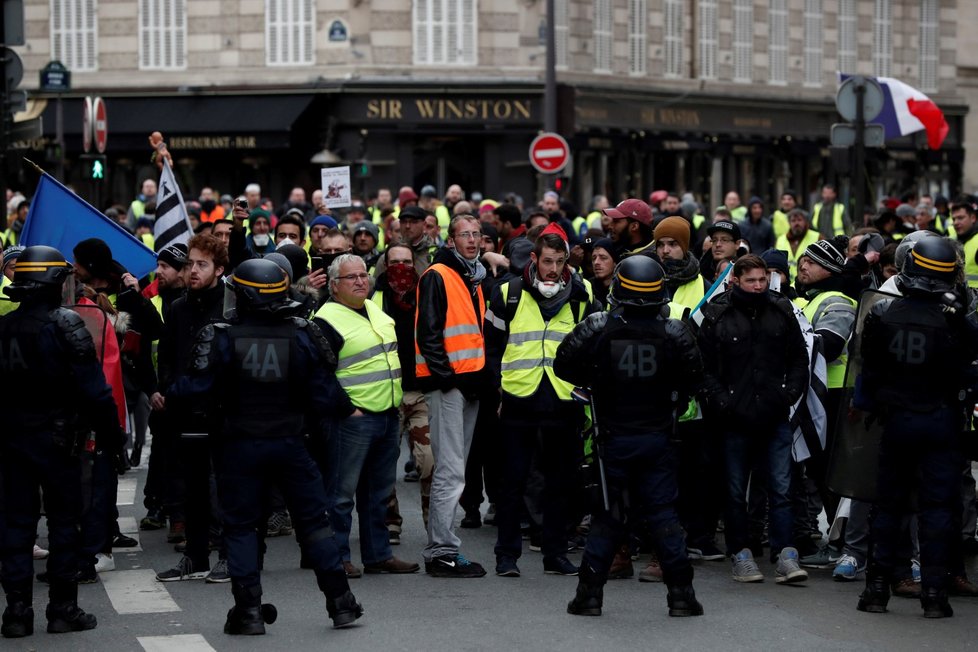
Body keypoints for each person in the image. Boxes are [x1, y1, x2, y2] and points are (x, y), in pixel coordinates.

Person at [168, 258, 363, 634]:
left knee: (241, 528)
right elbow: (326, 395)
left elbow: (191, 391)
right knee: (314, 525)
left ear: (241, 296)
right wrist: (342, 409)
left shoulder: (222, 335)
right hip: (291, 443)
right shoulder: (303, 333)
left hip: (239, 446)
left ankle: (249, 612)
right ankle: (342, 605)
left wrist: (175, 394)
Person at [554, 256, 705, 617]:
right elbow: (695, 376)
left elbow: (563, 365)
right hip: (658, 438)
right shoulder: (673, 331)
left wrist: (597, 377)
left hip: (614, 439)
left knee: (608, 518)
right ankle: (682, 596)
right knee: (664, 517)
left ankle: (589, 596)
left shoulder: (597, 327)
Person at [0, 246, 121, 638]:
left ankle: (17, 613)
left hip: (13, 440)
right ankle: (62, 609)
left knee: (16, 527)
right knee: (64, 524)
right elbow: (95, 391)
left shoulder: (4, 328)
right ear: (54, 282)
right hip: (58, 441)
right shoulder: (65, 324)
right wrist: (113, 437)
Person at [856, 238, 978, 618]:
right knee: (939, 509)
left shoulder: (882, 314)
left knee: (888, 506)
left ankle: (876, 591)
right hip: (941, 421)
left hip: (896, 421)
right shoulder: (958, 322)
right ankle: (935, 597)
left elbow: (869, 372)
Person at [486, 225, 596, 578]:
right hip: (518, 397)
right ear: (534, 259)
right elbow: (492, 348)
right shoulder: (507, 293)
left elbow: (589, 347)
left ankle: (554, 553)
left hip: (562, 399)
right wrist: (498, 393)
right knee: (512, 480)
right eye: (547, 261)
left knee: (559, 482)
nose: (552, 269)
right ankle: (506, 555)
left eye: (559, 262)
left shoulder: (581, 294)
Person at [697, 255, 810, 583]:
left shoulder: (780, 311)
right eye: (752, 281)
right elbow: (704, 368)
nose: (759, 286)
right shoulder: (718, 315)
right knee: (734, 491)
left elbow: (799, 359)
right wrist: (724, 401)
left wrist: (788, 394)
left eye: (763, 279)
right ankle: (741, 553)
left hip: (774, 415)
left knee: (781, 487)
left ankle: (785, 554)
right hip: (734, 419)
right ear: (736, 281)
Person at [314, 254, 419, 577]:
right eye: (351, 277)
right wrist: (348, 409)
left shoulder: (375, 309)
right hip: (353, 420)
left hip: (387, 413)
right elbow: (319, 376)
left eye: (364, 275)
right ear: (334, 286)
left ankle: (378, 555)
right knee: (341, 495)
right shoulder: (324, 320)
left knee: (379, 493)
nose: (361, 281)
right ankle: (338, 557)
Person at [153, 234, 230, 583]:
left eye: (202, 264)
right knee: (193, 488)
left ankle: (230, 556)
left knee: (229, 488)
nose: (193, 271)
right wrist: (170, 389)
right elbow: (167, 355)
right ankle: (195, 556)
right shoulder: (178, 307)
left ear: (219, 269)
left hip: (224, 411)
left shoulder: (232, 307)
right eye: (189, 264)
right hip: (186, 410)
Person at [415, 214, 489, 577]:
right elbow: (427, 334)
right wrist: (449, 380)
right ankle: (442, 551)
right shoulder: (439, 275)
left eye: (477, 234)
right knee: (450, 471)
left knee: (453, 469)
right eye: (465, 235)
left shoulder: (470, 276)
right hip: (450, 385)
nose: (473, 240)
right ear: (451, 241)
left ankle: (443, 547)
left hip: (464, 384)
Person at [775, 209, 820, 282]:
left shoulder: (817, 237)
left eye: (799, 220)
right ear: (789, 223)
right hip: (787, 286)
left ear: (805, 222)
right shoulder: (780, 240)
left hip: (808, 283)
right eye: (793, 221)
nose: (796, 223)